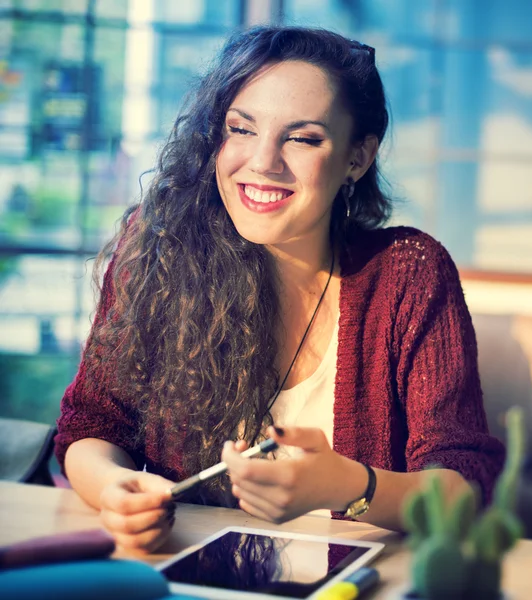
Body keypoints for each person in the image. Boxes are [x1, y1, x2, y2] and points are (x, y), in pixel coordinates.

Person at [55, 25, 505, 554]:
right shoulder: (158, 253)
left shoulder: (409, 274)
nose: (263, 162)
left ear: (357, 158)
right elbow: (90, 426)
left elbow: (464, 484)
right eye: (241, 129)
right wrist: (115, 491)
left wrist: (351, 485)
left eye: (302, 137)